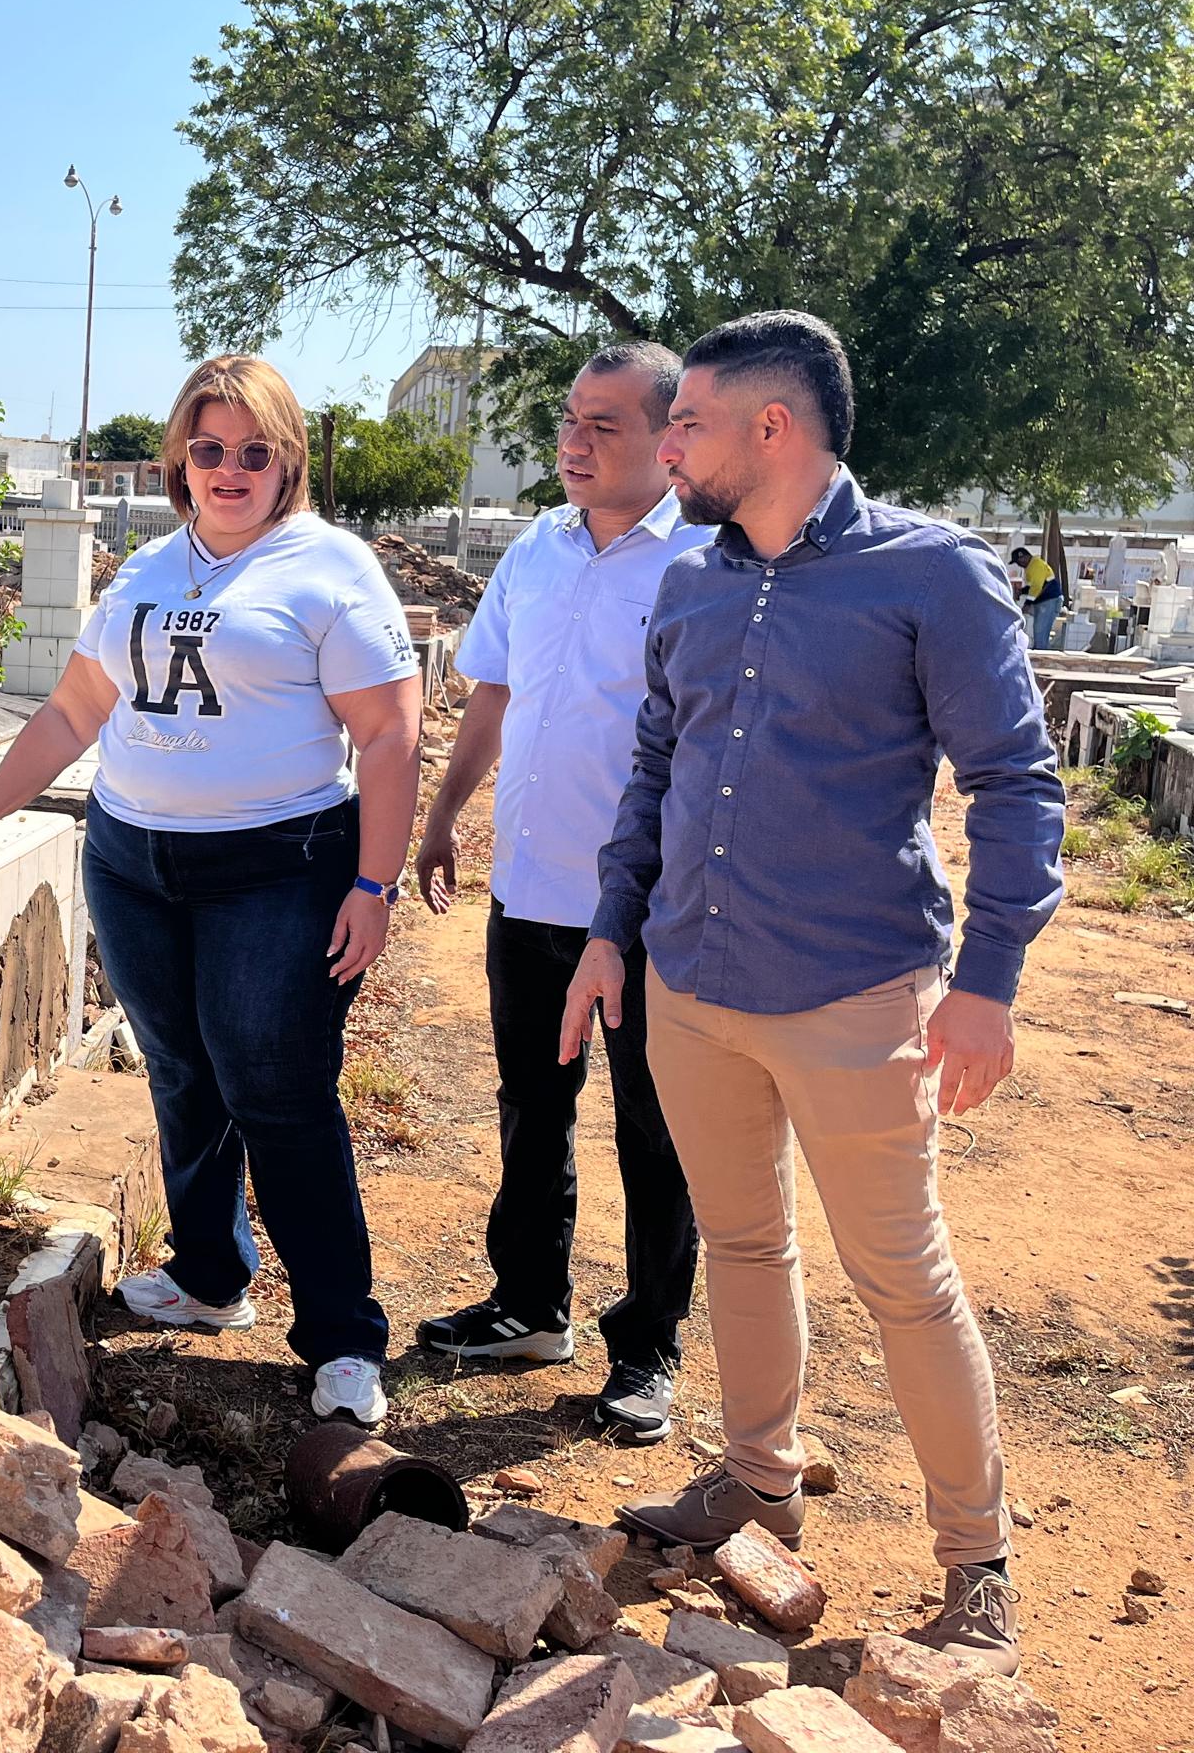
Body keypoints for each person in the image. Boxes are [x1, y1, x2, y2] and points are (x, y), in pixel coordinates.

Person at [564, 310, 1062, 1675]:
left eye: (688, 425)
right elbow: (655, 774)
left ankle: (977, 1562)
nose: (662, 447)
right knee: (741, 1246)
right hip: (694, 985)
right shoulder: (695, 585)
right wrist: (613, 931)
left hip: (856, 998)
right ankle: (759, 1485)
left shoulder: (932, 577)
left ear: (770, 429)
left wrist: (989, 985)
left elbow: (1017, 785)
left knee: (903, 1277)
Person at [0, 354, 422, 1428]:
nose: (229, 470)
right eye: (209, 449)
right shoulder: (149, 566)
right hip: (134, 861)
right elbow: (71, 711)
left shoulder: (327, 569)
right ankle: (209, 1278)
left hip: (275, 865)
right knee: (183, 1073)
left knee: (274, 1087)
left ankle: (341, 1336)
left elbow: (387, 734)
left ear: (287, 461)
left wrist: (373, 881)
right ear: (178, 461)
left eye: (254, 451)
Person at [409, 342, 711, 1443]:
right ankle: (529, 1306)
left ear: (667, 440)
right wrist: (443, 819)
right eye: (569, 423)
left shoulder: (704, 565)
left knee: (653, 1128)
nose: (573, 445)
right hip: (529, 890)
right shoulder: (534, 550)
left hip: (643, 911)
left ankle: (648, 1347)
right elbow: (492, 696)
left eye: (603, 427)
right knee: (533, 1108)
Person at [1008, 543, 1063, 650]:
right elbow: (1031, 586)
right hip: (1044, 601)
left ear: (1023, 558)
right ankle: (1040, 651)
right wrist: (1022, 591)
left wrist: (1027, 604)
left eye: (1018, 562)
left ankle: (1041, 656)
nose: (1019, 565)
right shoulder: (1030, 567)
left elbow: (1037, 587)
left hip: (1049, 601)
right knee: (1039, 630)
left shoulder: (1036, 565)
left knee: (1040, 630)